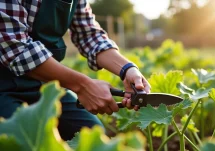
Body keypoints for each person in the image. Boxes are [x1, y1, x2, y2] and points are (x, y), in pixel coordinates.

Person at [0, 0, 151, 140]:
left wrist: (128, 69)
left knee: (90, 137)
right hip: (3, 83)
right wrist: (83, 86)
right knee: (21, 141)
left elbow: (89, 35)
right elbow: (15, 47)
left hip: (46, 84)